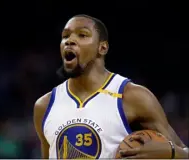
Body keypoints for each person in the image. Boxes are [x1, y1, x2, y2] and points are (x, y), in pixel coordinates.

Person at [34, 14, 188, 159]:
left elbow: (183, 151)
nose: (70, 40)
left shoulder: (132, 96)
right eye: (65, 36)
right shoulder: (45, 106)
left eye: (82, 35)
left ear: (102, 47)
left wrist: (172, 152)